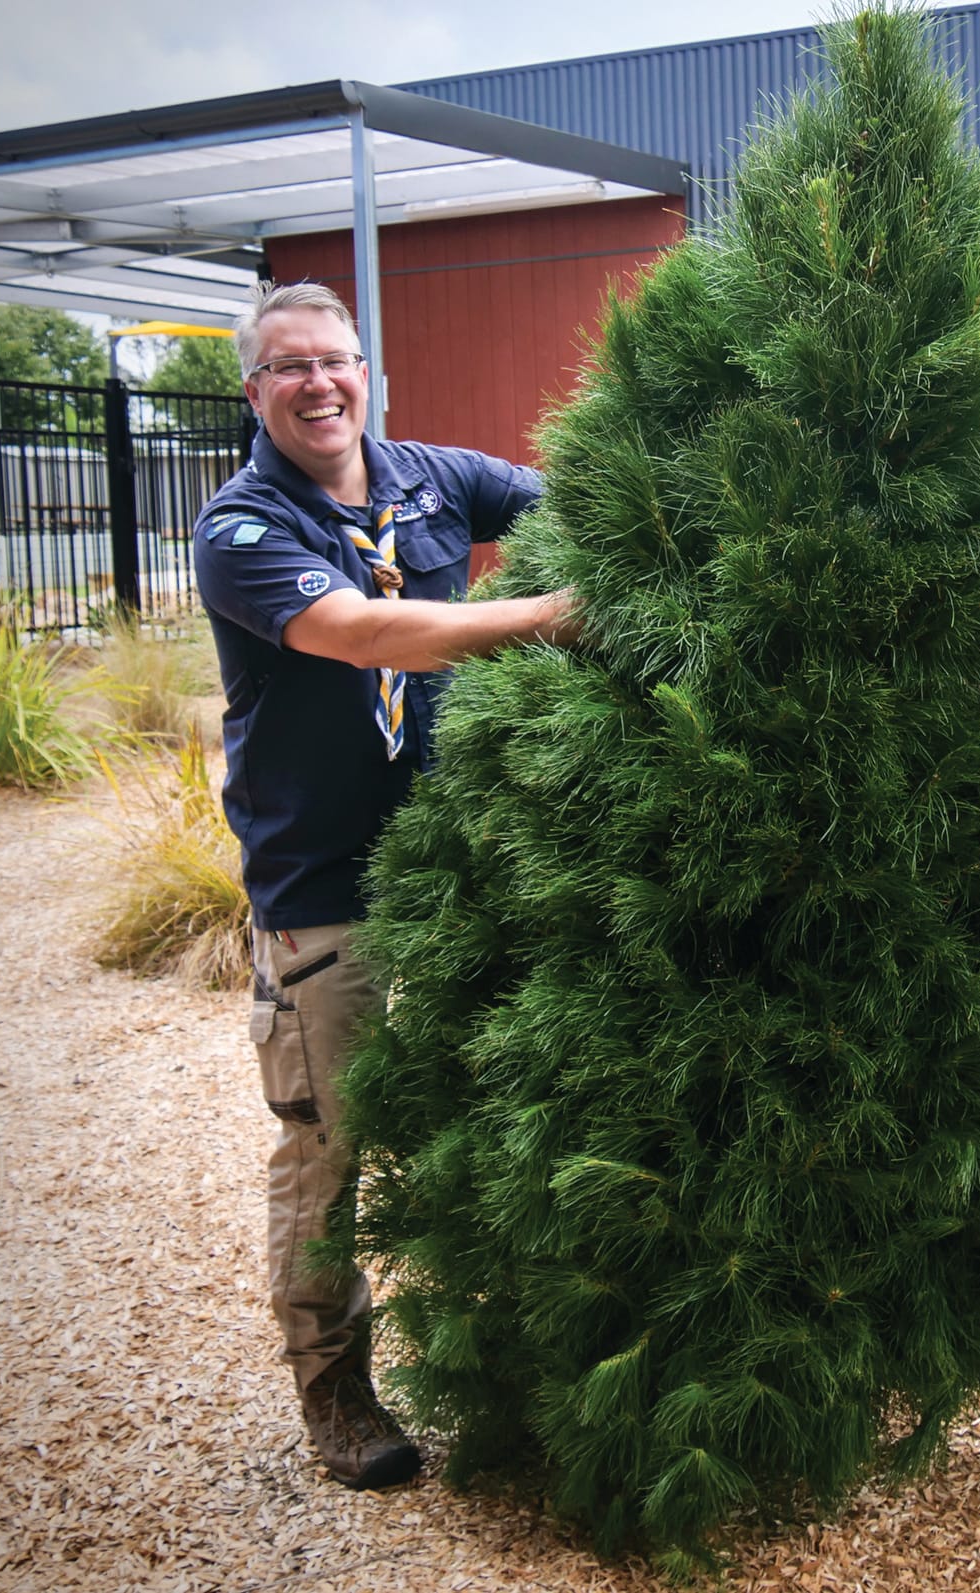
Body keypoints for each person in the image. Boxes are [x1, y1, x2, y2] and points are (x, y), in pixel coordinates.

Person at [194, 280, 577, 1491]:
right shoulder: (242, 528)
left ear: (367, 372)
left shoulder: (433, 477)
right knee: (333, 1141)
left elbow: (586, 500)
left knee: (490, 1113)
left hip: (462, 864)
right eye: (290, 369)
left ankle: (501, 1355)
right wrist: (553, 616)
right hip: (326, 886)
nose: (320, 385)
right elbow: (364, 632)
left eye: (337, 362)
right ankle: (338, 1391)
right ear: (254, 392)